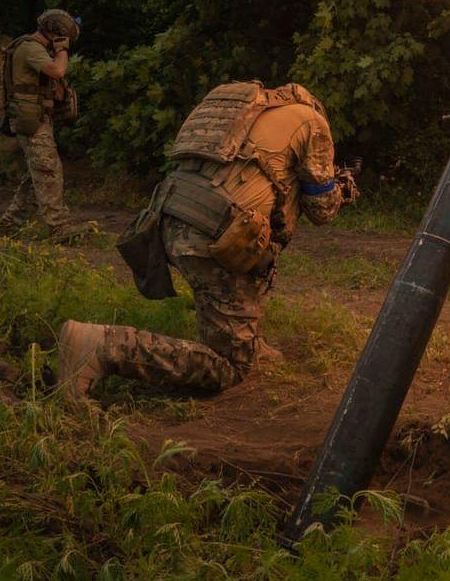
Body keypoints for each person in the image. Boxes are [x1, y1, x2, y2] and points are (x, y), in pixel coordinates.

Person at [56, 81, 356, 400]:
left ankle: (247, 341)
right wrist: (340, 189)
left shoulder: (241, 108)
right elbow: (322, 210)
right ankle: (102, 346)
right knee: (230, 369)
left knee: (233, 279)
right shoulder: (313, 122)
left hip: (169, 218)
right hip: (216, 236)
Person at [0, 9, 87, 242]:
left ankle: (10, 224)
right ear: (56, 32)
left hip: (37, 118)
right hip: (31, 120)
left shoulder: (35, 48)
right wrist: (62, 50)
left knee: (37, 174)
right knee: (49, 171)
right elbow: (58, 70)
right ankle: (58, 227)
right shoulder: (31, 48)